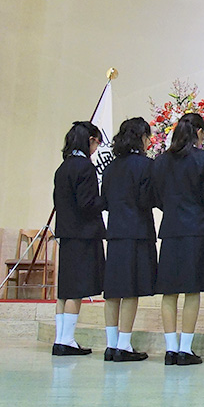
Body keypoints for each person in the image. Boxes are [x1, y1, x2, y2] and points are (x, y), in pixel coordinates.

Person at [152, 113, 204, 366]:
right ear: (200, 133)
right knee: (192, 291)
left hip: (171, 229)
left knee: (169, 292)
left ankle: (170, 349)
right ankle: (185, 348)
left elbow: (156, 198)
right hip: (197, 229)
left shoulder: (160, 161)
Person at [101, 117, 156, 362]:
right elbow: (148, 199)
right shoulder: (146, 165)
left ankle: (111, 345)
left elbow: (105, 201)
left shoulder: (111, 167)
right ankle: (124, 344)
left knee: (113, 290)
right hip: (137, 231)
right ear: (140, 137)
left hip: (115, 231)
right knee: (131, 289)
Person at [52, 121, 105, 356]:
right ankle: (67, 340)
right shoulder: (85, 167)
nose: (97, 147)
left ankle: (60, 338)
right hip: (83, 234)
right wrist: (107, 200)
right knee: (77, 289)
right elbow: (87, 204)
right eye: (96, 142)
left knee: (65, 290)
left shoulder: (63, 168)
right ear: (90, 140)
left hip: (67, 233)